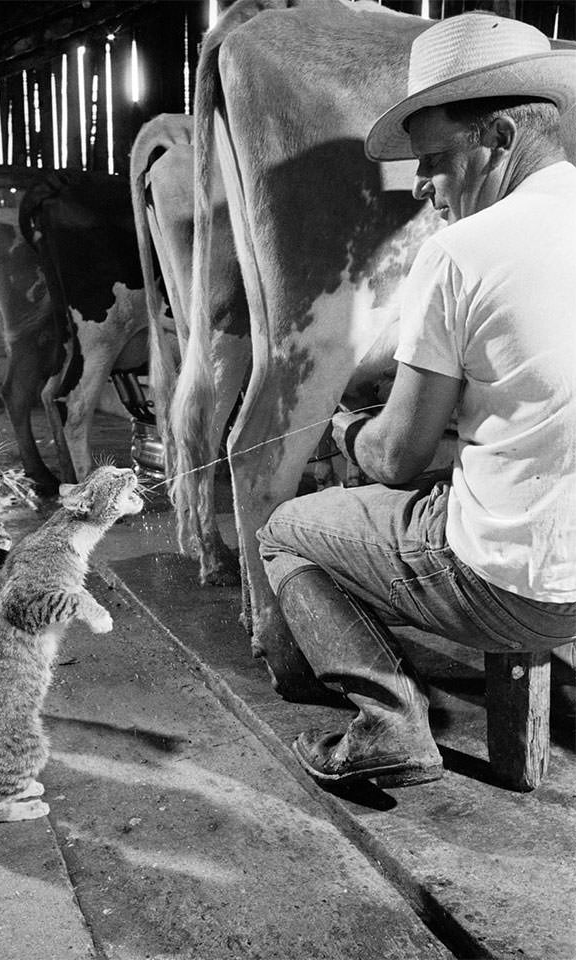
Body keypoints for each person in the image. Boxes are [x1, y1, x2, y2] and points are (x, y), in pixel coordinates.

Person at [256, 11, 576, 789]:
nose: (421, 186)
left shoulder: (461, 250)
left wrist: (345, 428)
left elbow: (398, 460)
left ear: (498, 137)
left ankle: (390, 722)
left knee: (288, 530)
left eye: (433, 160)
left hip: (527, 586)